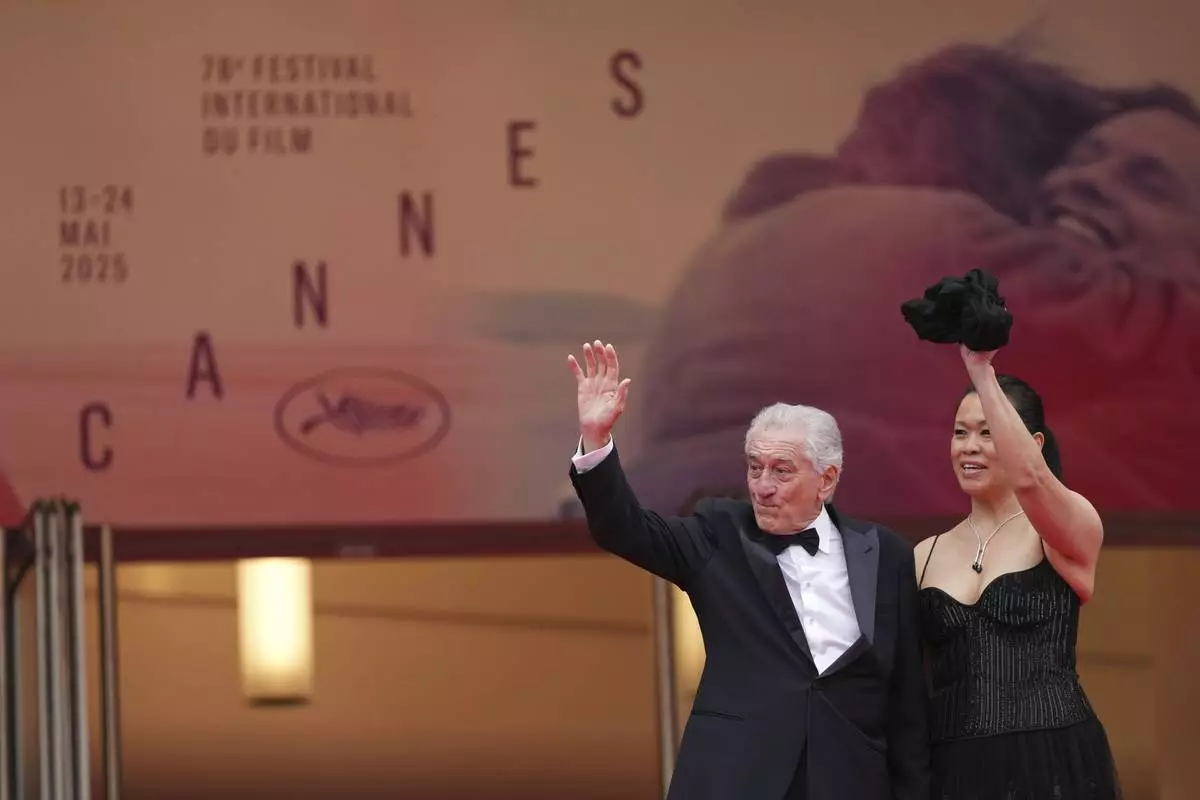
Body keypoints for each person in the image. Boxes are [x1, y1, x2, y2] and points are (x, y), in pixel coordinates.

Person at [566, 340, 930, 800]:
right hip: (738, 778)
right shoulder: (718, 532)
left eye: (781, 471)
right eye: (754, 468)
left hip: (849, 780)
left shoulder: (885, 554)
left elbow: (907, 706)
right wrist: (597, 442)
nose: (762, 487)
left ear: (828, 479)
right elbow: (626, 530)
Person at [914, 344, 1120, 799]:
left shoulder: (1063, 530)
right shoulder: (924, 554)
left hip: (1051, 760)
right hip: (952, 769)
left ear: (1034, 444)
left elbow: (1031, 480)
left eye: (988, 433)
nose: (970, 447)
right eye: (960, 432)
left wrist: (981, 372)